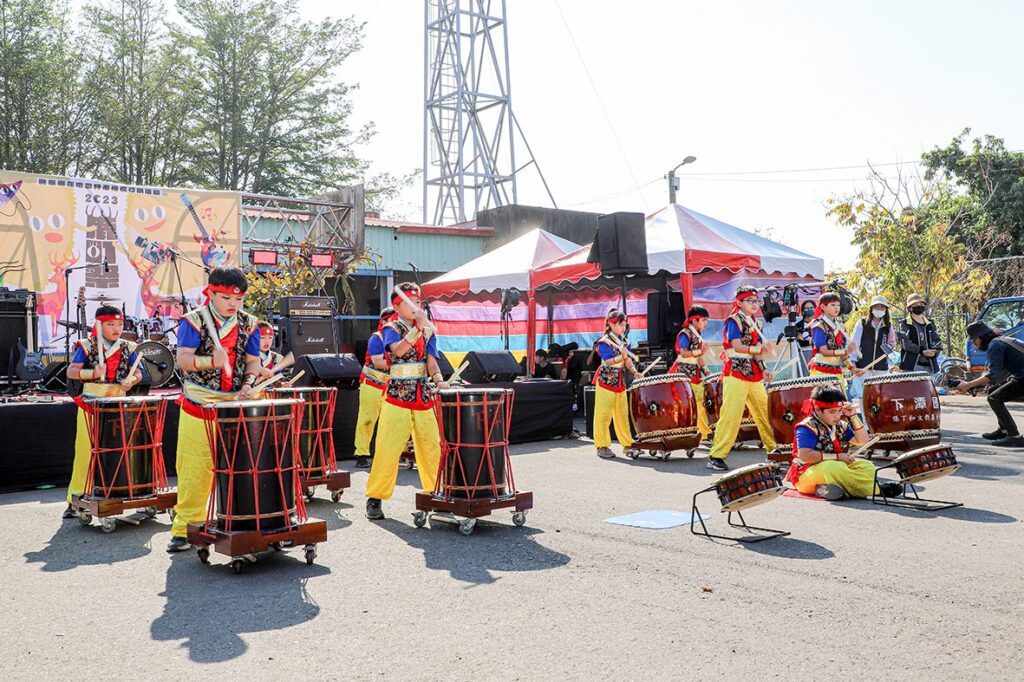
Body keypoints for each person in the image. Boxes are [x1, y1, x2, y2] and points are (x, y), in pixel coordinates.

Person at [167, 267, 262, 552]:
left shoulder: (250, 323)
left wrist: (249, 383)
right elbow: (182, 360)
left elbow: (253, 361)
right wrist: (210, 362)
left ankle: (241, 522)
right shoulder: (193, 321)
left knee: (242, 468)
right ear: (210, 293)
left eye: (239, 299)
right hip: (200, 404)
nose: (233, 304)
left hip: (235, 405)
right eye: (225, 298)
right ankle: (185, 528)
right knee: (194, 469)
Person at [365, 283, 448, 520]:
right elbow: (398, 351)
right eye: (410, 303)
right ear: (397, 306)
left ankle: (435, 493)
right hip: (397, 396)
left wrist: (439, 379)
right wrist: (417, 330)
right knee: (388, 447)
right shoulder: (392, 328)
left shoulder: (430, 330)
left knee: (432, 445)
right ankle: (375, 497)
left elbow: (431, 362)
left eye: (418, 303)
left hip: (423, 395)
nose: (416, 307)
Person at [63, 306, 143, 518]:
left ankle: (121, 493)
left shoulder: (128, 347)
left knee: (120, 450)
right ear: (99, 325)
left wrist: (131, 380)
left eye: (119, 324)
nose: (117, 329)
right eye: (111, 325)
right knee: (85, 452)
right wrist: (91, 373)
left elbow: (141, 373)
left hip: (118, 405)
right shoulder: (87, 346)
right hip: (91, 404)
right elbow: (71, 371)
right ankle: (76, 498)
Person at [785, 385, 904, 500]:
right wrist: (837, 457)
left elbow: (862, 440)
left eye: (839, 411)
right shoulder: (806, 427)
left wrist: (852, 416)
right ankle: (876, 490)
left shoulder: (839, 425)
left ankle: (828, 490)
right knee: (832, 467)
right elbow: (805, 455)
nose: (837, 416)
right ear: (817, 409)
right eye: (832, 412)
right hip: (806, 474)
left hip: (836, 467)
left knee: (867, 467)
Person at [707, 287, 778, 471]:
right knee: (731, 414)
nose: (755, 304)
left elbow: (757, 354)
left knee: (764, 410)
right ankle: (716, 455)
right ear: (739, 303)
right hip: (735, 372)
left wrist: (764, 370)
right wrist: (759, 350)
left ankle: (775, 451)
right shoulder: (734, 321)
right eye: (750, 301)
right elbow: (737, 346)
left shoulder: (757, 324)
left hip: (753, 374)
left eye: (756, 301)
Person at [956, 322, 1024, 447]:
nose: (974, 344)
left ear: (980, 337)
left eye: (974, 340)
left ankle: (1015, 436)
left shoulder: (995, 345)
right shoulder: (1001, 340)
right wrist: (977, 384)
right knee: (993, 391)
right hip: (1020, 376)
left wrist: (968, 385)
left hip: (1022, 378)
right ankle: (1004, 430)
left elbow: (993, 375)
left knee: (994, 398)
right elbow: (997, 376)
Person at [592, 309, 639, 459]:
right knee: (603, 414)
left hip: (619, 381)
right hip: (606, 381)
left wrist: (634, 371)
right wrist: (622, 356)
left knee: (622, 414)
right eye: (620, 325)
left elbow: (628, 360)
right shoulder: (603, 342)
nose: (623, 328)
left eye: (624, 325)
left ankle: (627, 444)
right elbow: (608, 361)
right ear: (611, 325)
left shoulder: (625, 342)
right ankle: (602, 445)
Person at [353, 307, 396, 468]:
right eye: (393, 320)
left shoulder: (400, 339)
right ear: (384, 322)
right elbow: (378, 362)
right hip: (372, 383)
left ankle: (388, 453)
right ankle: (361, 453)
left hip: (391, 384)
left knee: (390, 420)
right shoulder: (376, 338)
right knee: (367, 418)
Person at [669, 305, 712, 441]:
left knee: (700, 402)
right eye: (704, 320)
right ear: (695, 320)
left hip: (694, 372)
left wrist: (706, 370)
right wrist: (700, 351)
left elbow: (697, 357)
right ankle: (681, 432)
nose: (706, 323)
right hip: (682, 371)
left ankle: (704, 433)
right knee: (684, 404)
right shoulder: (685, 334)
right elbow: (684, 353)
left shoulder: (697, 334)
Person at [808, 292, 863, 394]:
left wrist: (853, 369)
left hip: (836, 370)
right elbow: (824, 351)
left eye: (838, 305)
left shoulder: (840, 327)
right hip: (821, 370)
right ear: (823, 306)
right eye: (833, 305)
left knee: (839, 405)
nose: (836, 308)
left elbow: (843, 354)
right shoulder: (819, 326)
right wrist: (845, 351)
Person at [850, 295, 896, 378]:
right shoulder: (862, 323)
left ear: (886, 310)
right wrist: (853, 365)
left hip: (881, 369)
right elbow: (854, 344)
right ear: (871, 309)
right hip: (863, 368)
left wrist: (888, 347)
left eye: (882, 307)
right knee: (862, 391)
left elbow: (892, 342)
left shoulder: (888, 326)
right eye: (876, 307)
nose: (879, 309)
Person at [898, 293, 942, 373]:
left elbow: (937, 340)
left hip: (930, 366)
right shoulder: (904, 323)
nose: (920, 305)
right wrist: (922, 351)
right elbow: (905, 344)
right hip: (911, 366)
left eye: (921, 303)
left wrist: (935, 352)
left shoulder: (930, 323)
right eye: (916, 304)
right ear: (910, 308)